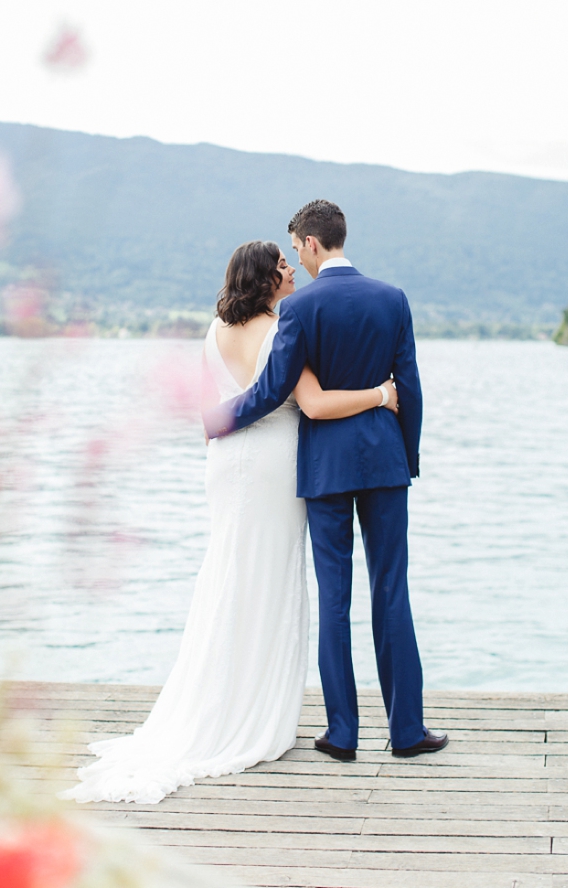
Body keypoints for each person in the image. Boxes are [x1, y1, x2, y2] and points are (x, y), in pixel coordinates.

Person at [61, 239, 399, 804]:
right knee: (266, 581)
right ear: (267, 280)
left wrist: (222, 424)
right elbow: (312, 403)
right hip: (271, 466)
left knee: (228, 576)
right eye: (283, 266)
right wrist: (381, 394)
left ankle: (219, 701)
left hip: (225, 465)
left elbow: (208, 410)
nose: (292, 271)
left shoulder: (214, 332)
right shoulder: (284, 328)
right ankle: (251, 715)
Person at [204, 200, 448, 761]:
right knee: (392, 591)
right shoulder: (393, 298)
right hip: (385, 463)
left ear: (311, 244)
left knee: (334, 598)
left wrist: (218, 420)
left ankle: (343, 734)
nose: (295, 259)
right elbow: (408, 387)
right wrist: (405, 455)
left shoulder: (301, 308)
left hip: (326, 469)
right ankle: (407, 731)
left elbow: (270, 392)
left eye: (295, 249)